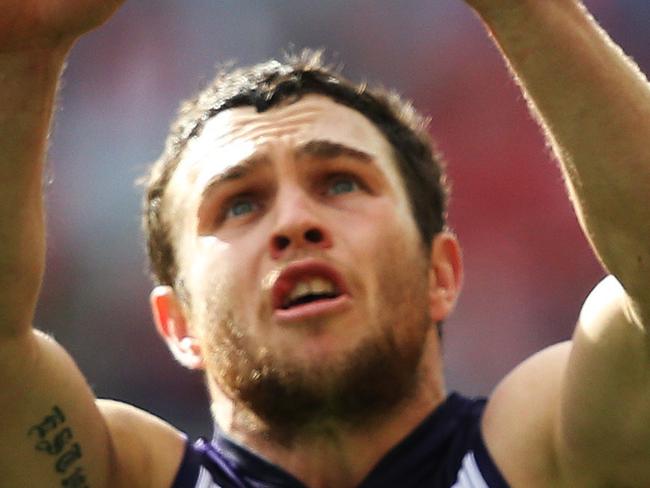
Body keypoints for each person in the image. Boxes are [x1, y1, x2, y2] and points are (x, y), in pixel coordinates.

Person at [1, 0, 649, 486]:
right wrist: (20, 53)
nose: (294, 223)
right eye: (240, 204)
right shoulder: (126, 475)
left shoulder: (544, 455)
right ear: (178, 323)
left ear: (441, 273)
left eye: (340, 183)